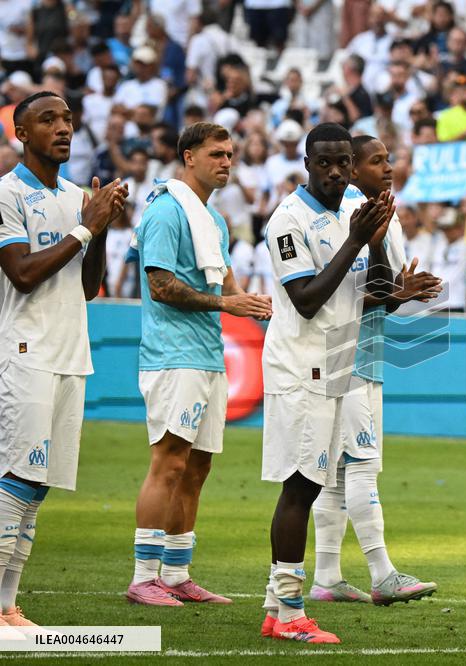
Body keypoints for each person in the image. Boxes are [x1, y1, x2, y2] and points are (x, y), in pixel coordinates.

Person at [127, 122, 272, 607]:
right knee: (168, 462)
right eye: (216, 153)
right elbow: (161, 286)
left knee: (197, 467)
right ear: (188, 156)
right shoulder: (167, 211)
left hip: (206, 355)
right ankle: (143, 576)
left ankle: (175, 573)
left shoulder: (212, 220)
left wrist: (248, 302)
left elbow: (226, 281)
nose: (226, 162)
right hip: (173, 356)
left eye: (230, 154)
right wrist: (227, 305)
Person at [258, 123, 393, 642]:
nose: (336, 172)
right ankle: (291, 615)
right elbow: (308, 299)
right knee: (300, 487)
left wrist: (374, 243)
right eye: (325, 163)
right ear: (307, 164)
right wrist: (356, 240)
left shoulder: (349, 213)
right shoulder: (289, 220)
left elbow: (377, 292)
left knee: (310, 485)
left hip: (336, 366)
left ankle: (277, 606)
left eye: (343, 163)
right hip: (301, 367)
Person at [0, 92, 126, 627]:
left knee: (38, 484)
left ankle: (7, 605)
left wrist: (98, 228)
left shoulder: (78, 195)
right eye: (47, 119)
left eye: (68, 119)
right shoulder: (7, 193)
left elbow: (90, 284)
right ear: (21, 133)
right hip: (24, 351)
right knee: (15, 476)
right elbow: (22, 274)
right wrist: (83, 228)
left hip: (70, 351)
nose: (63, 128)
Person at [309, 135, 441, 606]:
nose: (388, 167)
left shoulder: (386, 212)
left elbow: (383, 291)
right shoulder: (339, 214)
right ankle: (383, 574)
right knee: (362, 465)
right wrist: (395, 292)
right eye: (376, 160)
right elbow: (324, 295)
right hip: (342, 354)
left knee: (339, 474)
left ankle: (326, 577)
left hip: (366, 349)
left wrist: (406, 289)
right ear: (350, 168)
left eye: (389, 158)